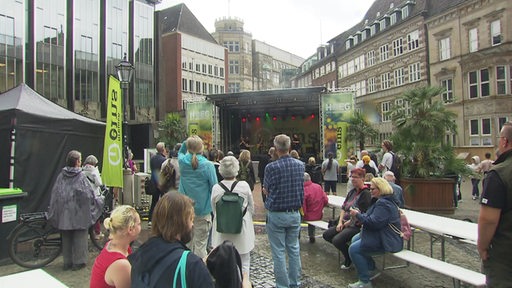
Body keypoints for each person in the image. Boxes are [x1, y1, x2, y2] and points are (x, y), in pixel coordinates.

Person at [128, 192, 214, 287]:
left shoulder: (138, 257)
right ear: (180, 222)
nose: (192, 225)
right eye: (191, 219)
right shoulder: (191, 265)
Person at [262, 134, 304, 288]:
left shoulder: (271, 167)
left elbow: (266, 189)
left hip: (276, 214)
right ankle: (295, 283)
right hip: (294, 213)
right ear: (289, 147)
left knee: (278, 252)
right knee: (294, 249)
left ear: (276, 149)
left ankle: (282, 285)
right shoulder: (300, 165)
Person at [48, 150, 101, 271]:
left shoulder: (61, 175)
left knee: (66, 236)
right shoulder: (80, 176)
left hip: (64, 212)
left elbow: (56, 192)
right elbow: (87, 194)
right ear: (77, 162)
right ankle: (79, 262)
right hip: (78, 212)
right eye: (80, 159)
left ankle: (67, 262)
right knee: (80, 236)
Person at [348, 177, 403, 288]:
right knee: (355, 239)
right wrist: (360, 214)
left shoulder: (383, 204)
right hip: (381, 234)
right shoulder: (382, 201)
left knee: (354, 249)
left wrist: (357, 215)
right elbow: (371, 218)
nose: (370, 191)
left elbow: (374, 223)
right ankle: (370, 267)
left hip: (387, 239)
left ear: (380, 189)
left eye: (373, 189)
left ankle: (365, 281)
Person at [478, 122, 512, 287]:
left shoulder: (498, 173)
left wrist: (482, 247)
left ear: (504, 141)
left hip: (504, 258)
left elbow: (488, 220)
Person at [211, 155, 255, 280]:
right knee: (244, 261)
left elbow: (214, 210)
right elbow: (251, 207)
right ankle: (243, 282)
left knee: (223, 262)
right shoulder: (244, 186)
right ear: (236, 169)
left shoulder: (216, 188)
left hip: (222, 231)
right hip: (242, 230)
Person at [322, 168, 372, 270]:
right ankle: (349, 252)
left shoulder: (366, 194)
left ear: (362, 178)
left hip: (356, 225)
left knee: (337, 240)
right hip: (344, 222)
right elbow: (344, 208)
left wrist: (346, 224)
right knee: (327, 234)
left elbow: (362, 214)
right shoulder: (352, 192)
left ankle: (349, 257)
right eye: (351, 177)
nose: (353, 179)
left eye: (356, 177)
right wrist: (340, 222)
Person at [178, 135, 218, 258]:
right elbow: (214, 187)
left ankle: (186, 271)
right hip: (203, 210)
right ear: (202, 148)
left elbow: (180, 151)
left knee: (186, 244)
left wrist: (186, 143)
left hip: (185, 209)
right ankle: (199, 271)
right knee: (201, 245)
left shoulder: (183, 162)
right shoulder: (208, 165)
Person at [90, 205, 141, 288]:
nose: (140, 227)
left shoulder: (111, 245)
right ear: (130, 229)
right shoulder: (121, 265)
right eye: (139, 224)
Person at [82, 155, 104, 240]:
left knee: (86, 214)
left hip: (85, 195)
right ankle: (97, 233)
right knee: (96, 214)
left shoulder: (82, 170)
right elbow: (99, 183)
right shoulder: (94, 171)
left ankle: (87, 233)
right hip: (94, 195)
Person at [302, 172, 328, 243]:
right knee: (312, 216)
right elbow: (325, 200)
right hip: (318, 215)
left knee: (297, 217)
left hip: (307, 216)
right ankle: (312, 236)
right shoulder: (318, 187)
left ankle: (296, 238)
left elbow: (303, 207)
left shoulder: (303, 190)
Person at [148, 142, 167, 227]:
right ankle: (162, 220)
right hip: (161, 183)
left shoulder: (152, 158)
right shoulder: (164, 160)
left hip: (153, 182)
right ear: (163, 149)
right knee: (163, 202)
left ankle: (150, 219)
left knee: (154, 201)